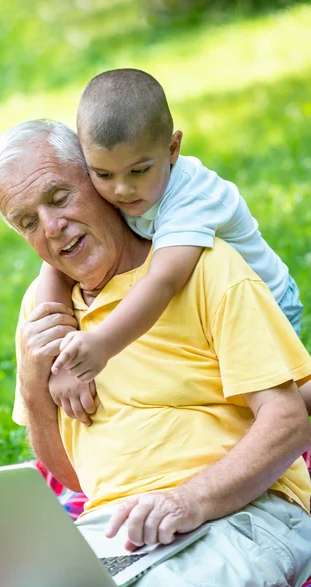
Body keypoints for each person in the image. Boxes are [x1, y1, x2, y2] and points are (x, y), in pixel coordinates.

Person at [0, 119, 311, 587]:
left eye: (58, 197)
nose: (52, 229)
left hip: (245, 510)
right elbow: (74, 476)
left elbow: (289, 422)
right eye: (28, 221)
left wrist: (189, 500)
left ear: (99, 182)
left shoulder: (204, 264)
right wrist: (34, 382)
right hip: (118, 531)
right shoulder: (43, 315)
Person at [31, 69, 304, 392]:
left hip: (264, 302)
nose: (122, 189)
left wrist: (102, 343)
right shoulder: (122, 189)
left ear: (173, 148)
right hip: (204, 305)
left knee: (264, 399)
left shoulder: (192, 198)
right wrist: (59, 355)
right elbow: (55, 266)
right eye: (103, 173)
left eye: (139, 170)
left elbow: (164, 281)